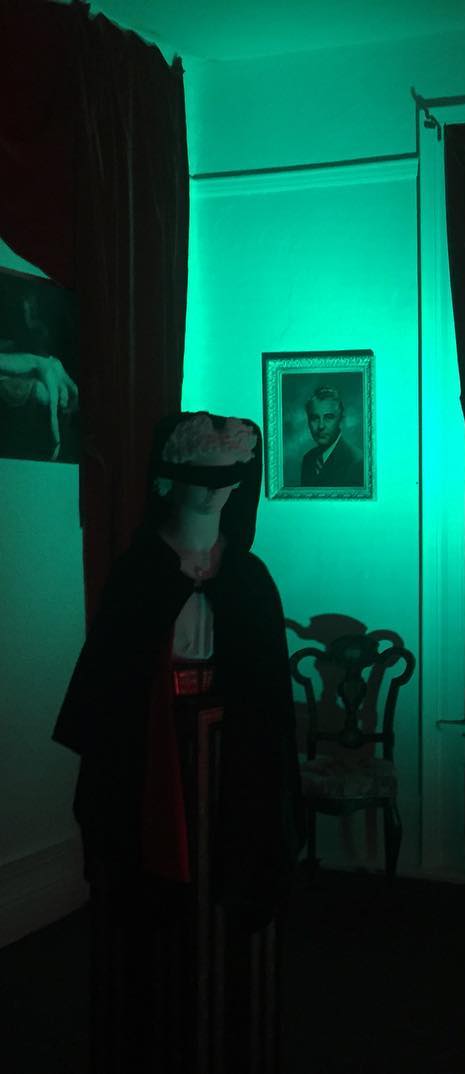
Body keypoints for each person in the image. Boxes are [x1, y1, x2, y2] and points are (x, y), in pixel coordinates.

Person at [53, 411, 303, 1073]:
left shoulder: (249, 579)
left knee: (231, 873)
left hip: (232, 759)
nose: (215, 491)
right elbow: (110, 682)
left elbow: (267, 694)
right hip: (149, 757)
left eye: (228, 478)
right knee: (146, 891)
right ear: (168, 479)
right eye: (201, 476)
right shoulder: (139, 573)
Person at [300, 385, 364, 486]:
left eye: (328, 417)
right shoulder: (308, 459)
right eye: (315, 418)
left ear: (340, 420)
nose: (321, 426)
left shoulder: (357, 462)